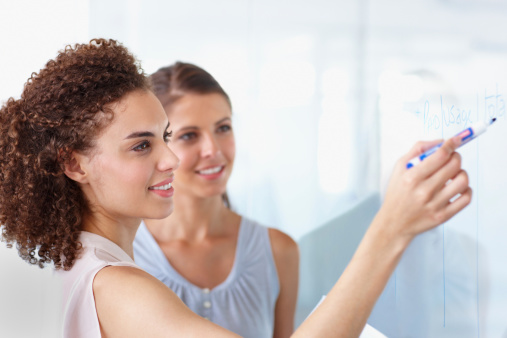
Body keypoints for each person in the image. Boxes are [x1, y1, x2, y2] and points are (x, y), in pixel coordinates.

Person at [0, 38, 472, 338]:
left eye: (165, 136)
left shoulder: (73, 263)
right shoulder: (119, 287)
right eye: (142, 146)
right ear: (74, 163)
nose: (171, 159)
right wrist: (391, 229)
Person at [133, 62, 298, 338]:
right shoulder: (123, 256)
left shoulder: (279, 251)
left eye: (223, 128)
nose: (213, 150)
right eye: (189, 135)